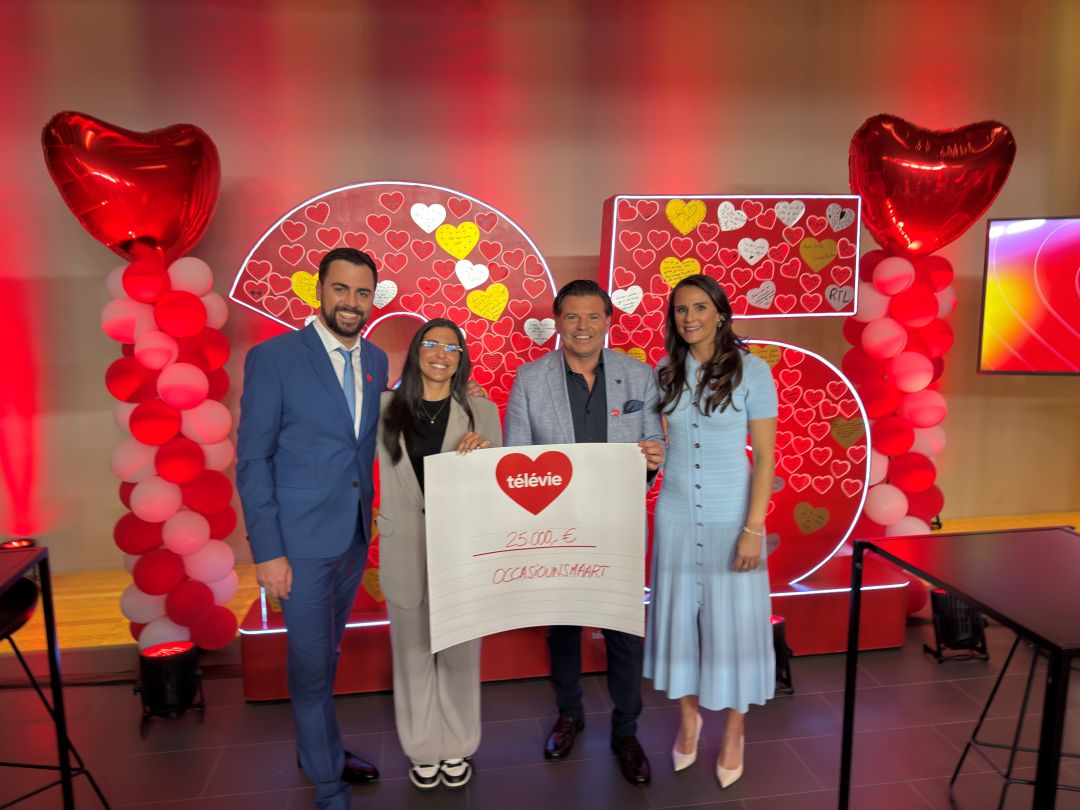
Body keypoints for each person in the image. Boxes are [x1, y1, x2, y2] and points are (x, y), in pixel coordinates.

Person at [237, 247, 387, 810]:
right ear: (319, 290)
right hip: (297, 546)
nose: (351, 302)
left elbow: (365, 439)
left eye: (363, 292)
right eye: (341, 289)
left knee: (326, 655)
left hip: (352, 537)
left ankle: (316, 749)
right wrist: (267, 551)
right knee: (309, 662)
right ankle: (327, 785)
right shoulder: (273, 357)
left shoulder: (376, 360)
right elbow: (253, 459)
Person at [503, 279, 665, 786]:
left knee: (624, 631)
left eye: (593, 316)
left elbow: (654, 441)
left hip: (619, 522)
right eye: (572, 316)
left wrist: (654, 458)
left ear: (609, 322)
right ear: (557, 322)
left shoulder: (639, 375)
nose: (582, 326)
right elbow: (515, 459)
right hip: (556, 527)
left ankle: (626, 731)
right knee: (564, 627)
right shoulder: (530, 379)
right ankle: (569, 714)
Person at [643, 274, 778, 789]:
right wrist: (652, 454)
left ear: (720, 313)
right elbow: (660, 442)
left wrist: (753, 528)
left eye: (700, 307)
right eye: (681, 309)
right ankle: (689, 719)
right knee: (678, 621)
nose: (690, 317)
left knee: (736, 627)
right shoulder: (664, 372)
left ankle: (734, 733)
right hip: (676, 515)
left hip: (731, 517)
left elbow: (764, 457)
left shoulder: (753, 371)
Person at [376, 318, 502, 791]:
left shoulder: (481, 410)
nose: (440, 353)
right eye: (431, 344)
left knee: (460, 654)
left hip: (462, 549)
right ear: (416, 352)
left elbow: (499, 484)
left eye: (451, 347)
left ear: (461, 359)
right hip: (403, 544)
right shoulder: (384, 408)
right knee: (411, 654)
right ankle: (422, 749)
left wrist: (485, 455)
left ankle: (458, 745)